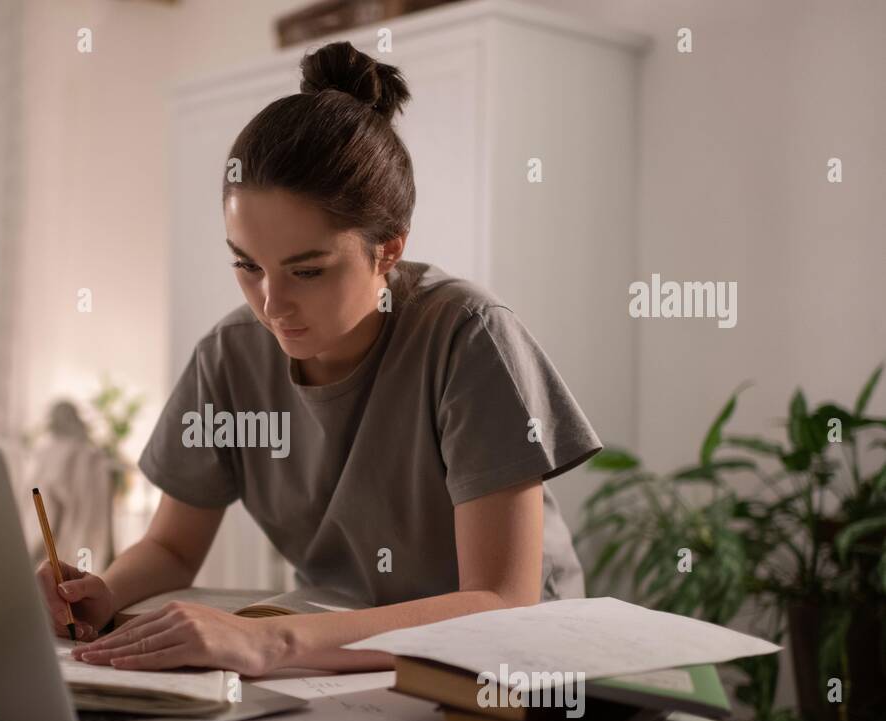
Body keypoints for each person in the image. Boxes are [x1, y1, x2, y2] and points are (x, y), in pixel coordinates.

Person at [37, 41, 602, 677]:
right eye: (247, 265)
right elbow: (171, 545)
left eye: (307, 270)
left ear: (387, 251)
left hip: (507, 673)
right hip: (341, 659)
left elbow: (501, 603)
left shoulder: (468, 337)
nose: (272, 304)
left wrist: (270, 642)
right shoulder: (229, 357)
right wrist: (102, 593)